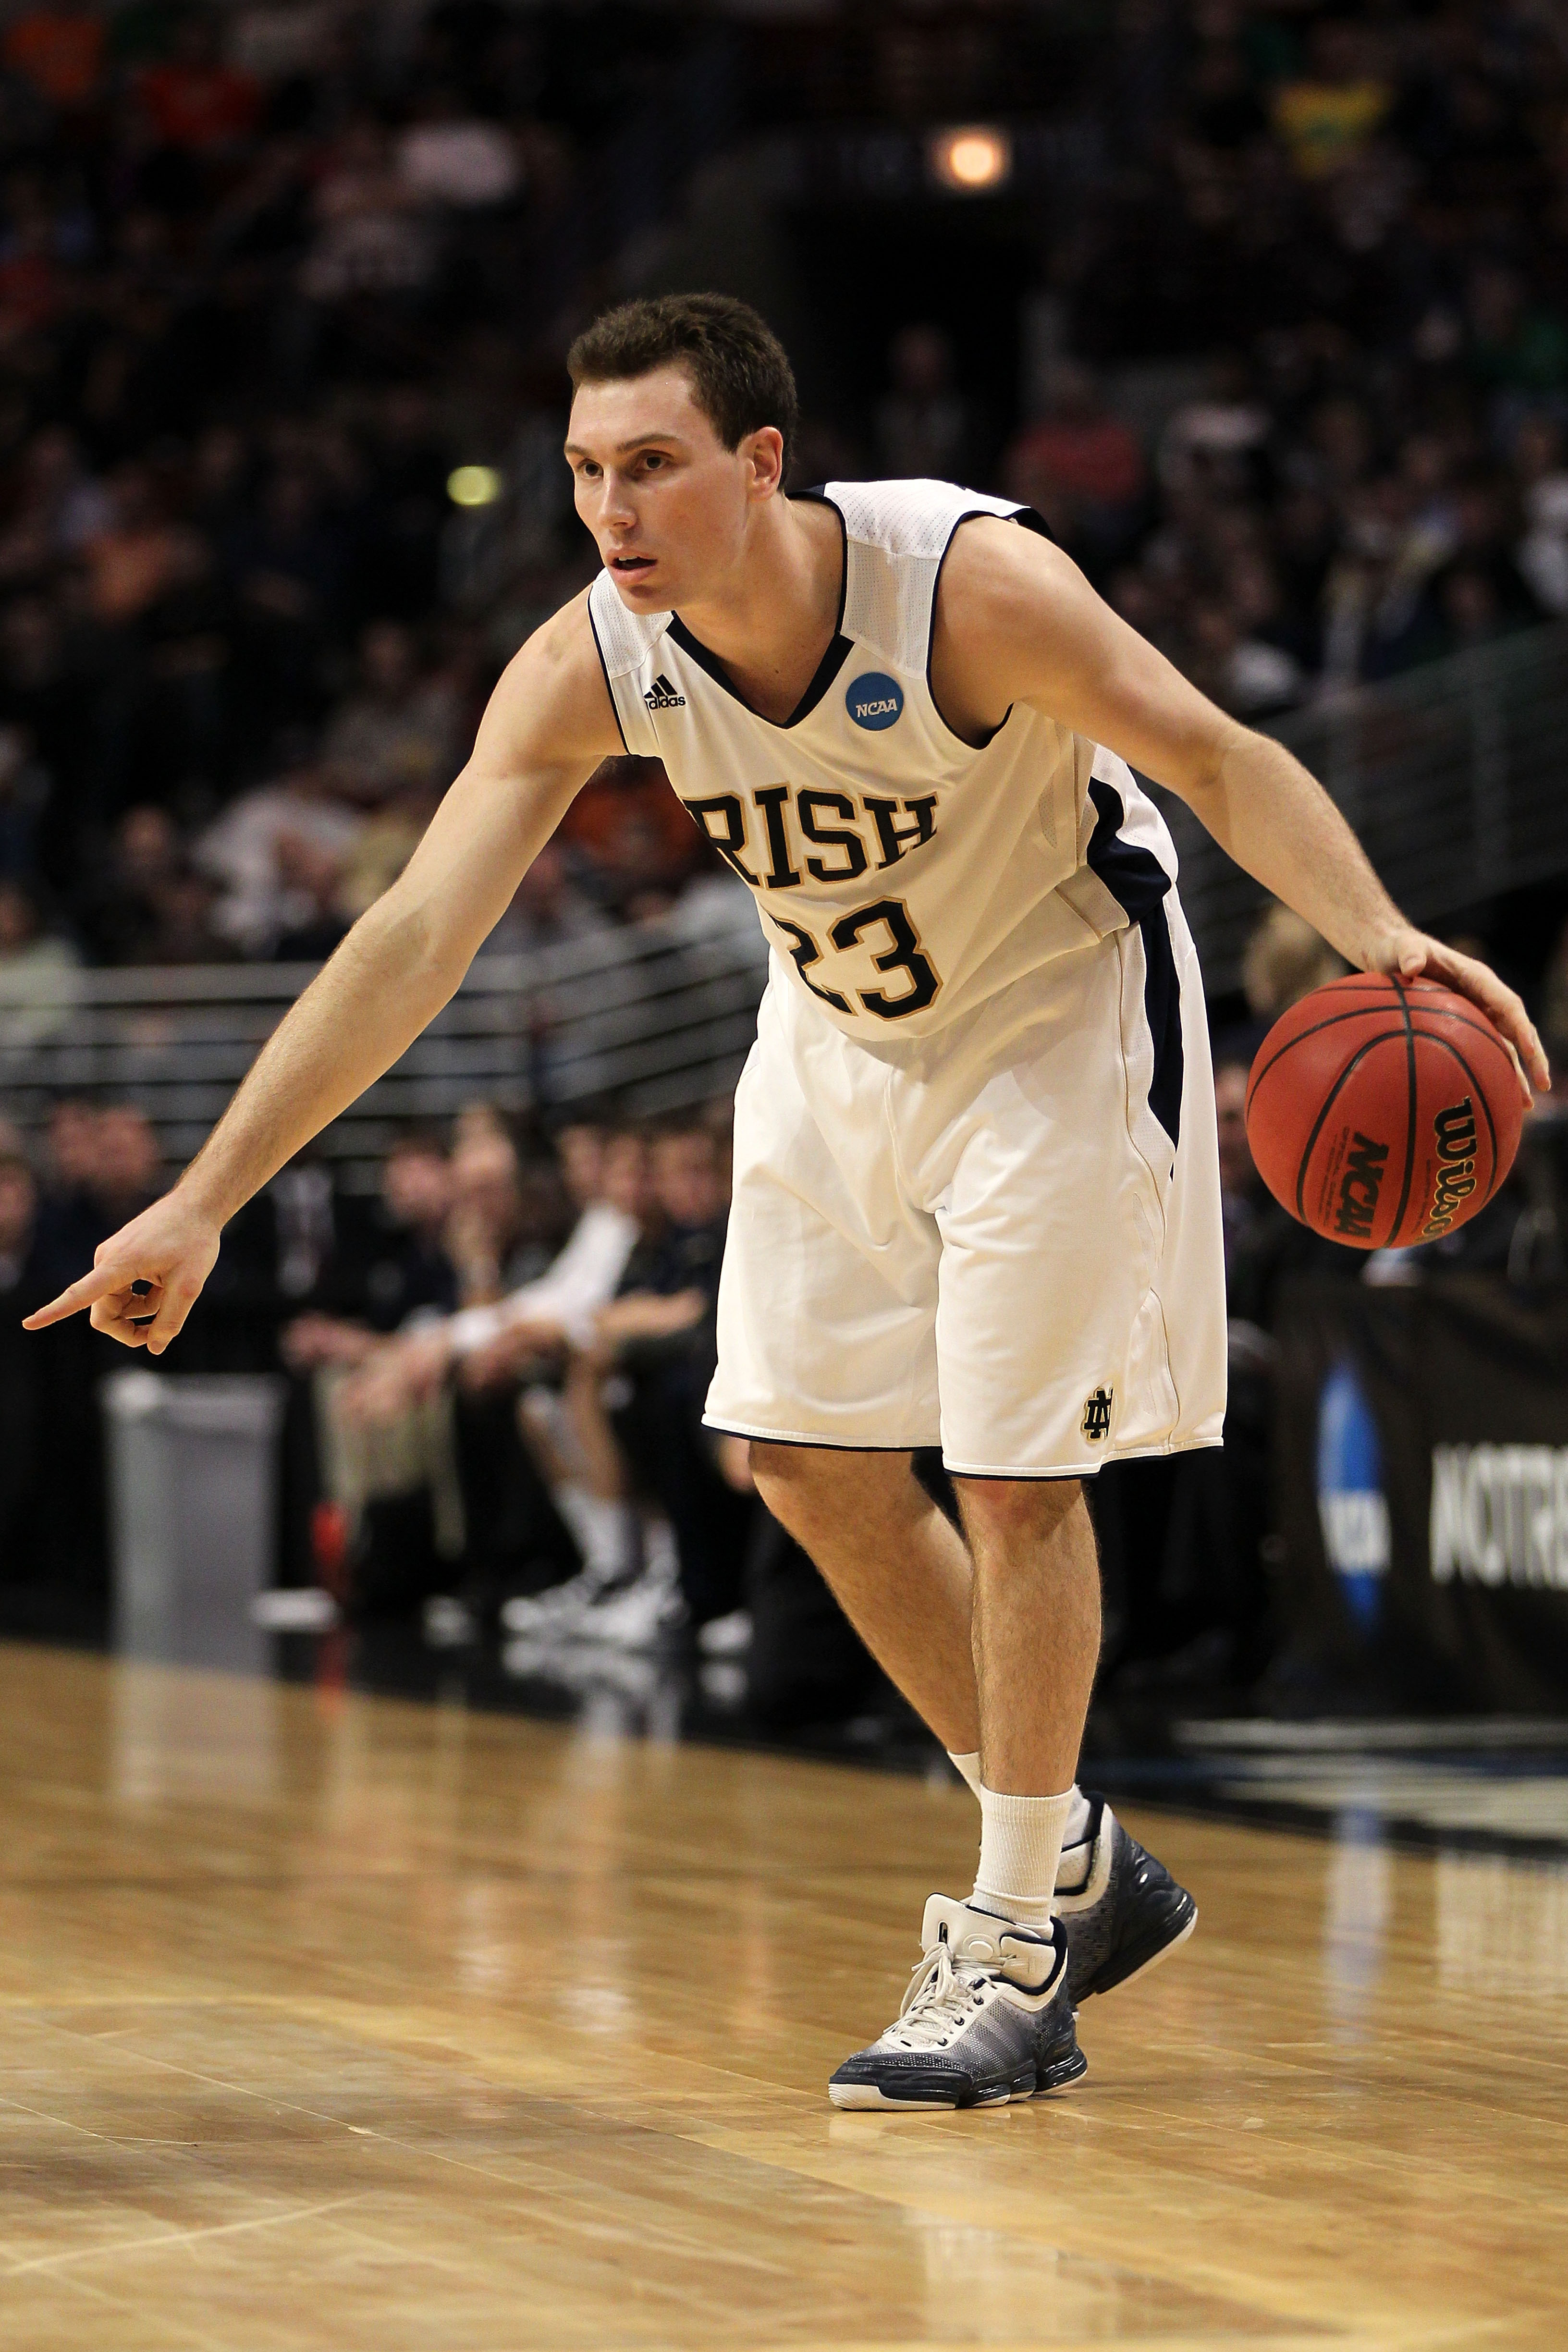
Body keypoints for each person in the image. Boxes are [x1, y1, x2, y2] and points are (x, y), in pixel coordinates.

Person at [27, 294, 1549, 2113]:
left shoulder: (963, 586)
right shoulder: (598, 657)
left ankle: (1011, 1945)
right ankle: (1066, 1855)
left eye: (652, 465)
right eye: (586, 472)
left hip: (1051, 1018)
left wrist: (1377, 933)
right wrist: (206, 1196)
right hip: (831, 1033)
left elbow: (1215, 750)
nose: (613, 509)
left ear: (762, 462)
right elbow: (418, 933)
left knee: (1009, 1472)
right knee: (810, 1464)